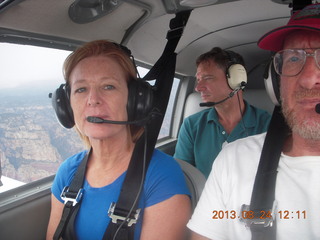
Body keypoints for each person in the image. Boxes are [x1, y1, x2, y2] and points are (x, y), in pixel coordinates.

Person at [188, 3, 320, 240]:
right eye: (292, 59)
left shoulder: (264, 122)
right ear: (276, 83)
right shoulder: (231, 156)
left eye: (207, 78)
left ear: (236, 79)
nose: (309, 79)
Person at [46, 40, 191, 240]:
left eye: (108, 86)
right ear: (67, 106)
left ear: (135, 101)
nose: (93, 99)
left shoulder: (162, 176)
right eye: (81, 89)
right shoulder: (67, 172)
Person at [174, 47, 271, 178]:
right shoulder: (191, 125)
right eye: (198, 79)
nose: (198, 87)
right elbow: (182, 177)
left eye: (208, 78)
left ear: (236, 79)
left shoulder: (269, 125)